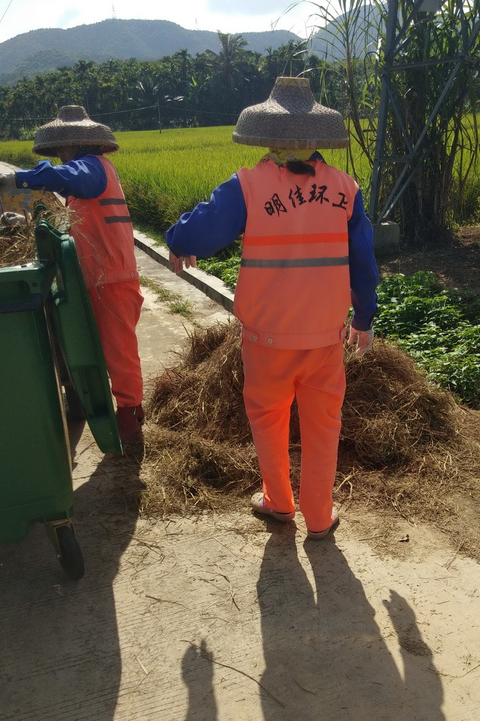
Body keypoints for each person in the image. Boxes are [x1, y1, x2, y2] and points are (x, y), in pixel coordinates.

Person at [166, 77, 380, 539]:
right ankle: (320, 517)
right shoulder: (345, 188)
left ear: (265, 136)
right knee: (324, 427)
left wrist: (179, 242)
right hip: (325, 339)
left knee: (268, 420)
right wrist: (364, 318)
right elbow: (363, 261)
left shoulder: (248, 185)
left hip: (265, 339)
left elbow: (196, 232)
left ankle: (278, 502)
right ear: (318, 138)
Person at [0, 105, 145, 447]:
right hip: (92, 274)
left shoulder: (92, 167)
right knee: (92, 346)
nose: (59, 154)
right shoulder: (86, 176)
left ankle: (130, 413)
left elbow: (68, 177)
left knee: (119, 351)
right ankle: (104, 405)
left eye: (61, 147)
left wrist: (16, 179)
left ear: (77, 143)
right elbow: (69, 223)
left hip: (111, 276)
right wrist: (24, 222)